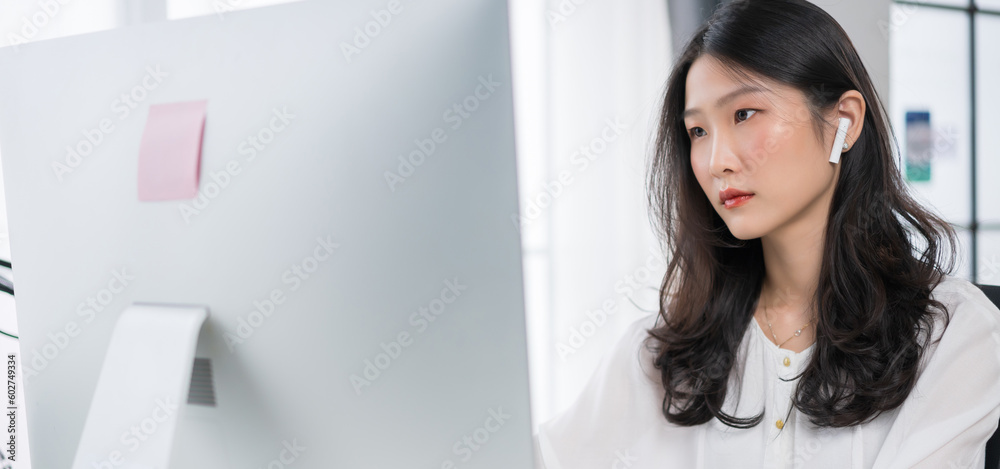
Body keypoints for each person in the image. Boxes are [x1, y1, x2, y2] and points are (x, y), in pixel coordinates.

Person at [532, 0, 1000, 468]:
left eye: (744, 114)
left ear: (844, 121)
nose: (717, 161)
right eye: (697, 131)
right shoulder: (661, 354)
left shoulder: (952, 333)